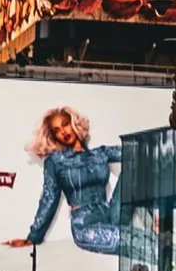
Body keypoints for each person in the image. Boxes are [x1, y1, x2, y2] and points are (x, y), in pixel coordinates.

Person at [7, 103, 123, 258]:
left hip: (112, 214)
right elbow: (49, 199)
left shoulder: (101, 153)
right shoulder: (55, 162)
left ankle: (157, 217)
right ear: (54, 136)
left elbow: (135, 150)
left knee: (136, 162)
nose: (63, 131)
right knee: (131, 240)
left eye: (65, 125)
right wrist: (33, 237)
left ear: (74, 124)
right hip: (85, 223)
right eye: (56, 130)